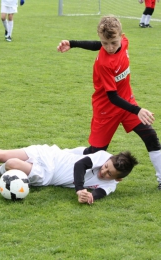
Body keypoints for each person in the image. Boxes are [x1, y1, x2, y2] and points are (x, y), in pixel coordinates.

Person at [57, 15, 161, 189]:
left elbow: (98, 44)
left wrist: (73, 43)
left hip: (127, 103)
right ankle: (63, 156)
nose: (109, 48)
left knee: (150, 136)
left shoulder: (124, 42)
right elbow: (112, 97)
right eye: (105, 44)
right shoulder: (105, 64)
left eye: (113, 42)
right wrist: (137, 110)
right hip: (106, 108)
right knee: (95, 153)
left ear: (122, 36)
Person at [0, 131, 138, 204]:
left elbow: (99, 195)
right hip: (48, 154)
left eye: (109, 173)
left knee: (10, 164)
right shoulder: (103, 156)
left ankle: (0, 171)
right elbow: (81, 164)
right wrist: (80, 189)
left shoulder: (111, 186)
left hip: (47, 175)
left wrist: (88, 196)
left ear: (118, 179)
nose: (103, 172)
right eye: (105, 167)